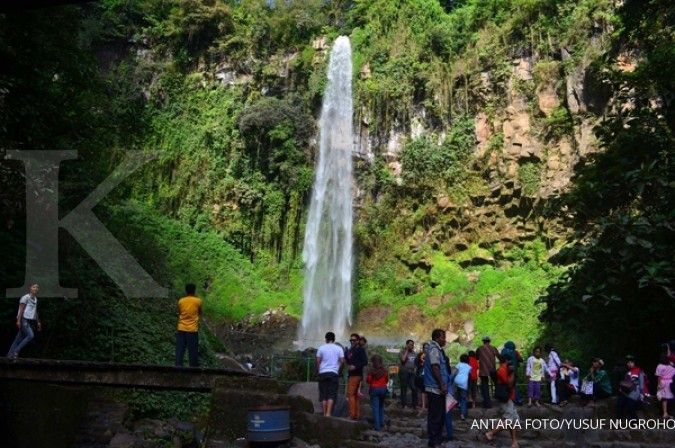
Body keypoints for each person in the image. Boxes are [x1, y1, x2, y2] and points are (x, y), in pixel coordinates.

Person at [485, 356, 519, 448]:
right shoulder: (502, 370)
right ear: (507, 360)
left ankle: (514, 443)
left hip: (509, 398)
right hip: (506, 399)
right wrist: (512, 373)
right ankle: (491, 433)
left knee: (514, 420)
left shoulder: (505, 369)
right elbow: (509, 384)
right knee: (508, 420)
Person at [424, 329, 449, 447]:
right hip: (435, 388)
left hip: (436, 387)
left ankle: (437, 438)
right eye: (444, 337)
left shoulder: (436, 349)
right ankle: (434, 441)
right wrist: (442, 384)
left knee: (438, 415)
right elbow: (435, 367)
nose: (445, 340)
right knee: (436, 415)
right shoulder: (434, 350)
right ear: (438, 338)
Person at [7, 283, 42, 358]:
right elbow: (21, 310)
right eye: (34, 287)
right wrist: (18, 321)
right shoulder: (25, 297)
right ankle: (16, 351)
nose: (36, 288)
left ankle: (9, 355)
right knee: (30, 335)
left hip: (29, 321)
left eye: (37, 287)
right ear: (30, 288)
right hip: (23, 319)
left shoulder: (35, 299)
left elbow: (35, 311)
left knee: (18, 339)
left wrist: (38, 322)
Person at [316, 331, 344, 417]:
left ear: (326, 339)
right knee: (331, 394)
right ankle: (328, 413)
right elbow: (342, 361)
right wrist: (339, 371)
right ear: (334, 339)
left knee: (324, 394)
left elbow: (318, 361)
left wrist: (319, 371)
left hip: (323, 372)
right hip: (334, 373)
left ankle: (324, 413)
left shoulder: (321, 348)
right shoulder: (339, 349)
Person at [175, 283, 202, 367]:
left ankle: (178, 367)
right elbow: (200, 313)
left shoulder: (181, 301)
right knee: (193, 350)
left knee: (180, 350)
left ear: (186, 291)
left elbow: (179, 313)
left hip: (181, 328)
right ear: (194, 290)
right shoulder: (198, 301)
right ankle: (193, 369)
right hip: (192, 329)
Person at [345, 332, 368, 420]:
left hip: (356, 374)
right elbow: (349, 361)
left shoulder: (360, 350)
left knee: (350, 394)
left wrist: (355, 366)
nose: (352, 342)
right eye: (351, 340)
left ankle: (351, 415)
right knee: (355, 395)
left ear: (358, 341)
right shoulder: (352, 349)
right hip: (352, 374)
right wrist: (346, 354)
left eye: (354, 340)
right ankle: (356, 415)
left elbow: (365, 361)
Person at [617, 355, 645, 421]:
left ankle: (635, 421)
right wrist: (621, 388)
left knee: (630, 403)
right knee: (620, 402)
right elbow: (625, 383)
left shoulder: (639, 371)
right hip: (626, 391)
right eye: (628, 362)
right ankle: (619, 419)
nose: (629, 364)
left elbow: (641, 383)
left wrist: (642, 393)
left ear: (634, 363)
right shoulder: (627, 372)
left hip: (635, 390)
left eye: (631, 362)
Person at [366, 354, 389, 431]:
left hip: (374, 389)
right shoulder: (384, 370)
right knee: (381, 407)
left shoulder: (371, 370)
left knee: (375, 408)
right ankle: (382, 423)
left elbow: (368, 381)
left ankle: (377, 427)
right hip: (383, 389)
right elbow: (387, 380)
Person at [476, 336, 500, 408]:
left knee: (484, 387)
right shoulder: (493, 348)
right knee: (497, 384)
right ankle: (499, 397)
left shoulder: (479, 348)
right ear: (489, 341)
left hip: (483, 370)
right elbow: (499, 356)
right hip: (492, 369)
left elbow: (477, 357)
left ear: (483, 341)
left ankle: (487, 403)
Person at [501, 341, 524, 405]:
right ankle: (518, 400)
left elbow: (501, 359)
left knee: (507, 386)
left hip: (505, 371)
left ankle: (509, 399)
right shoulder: (515, 352)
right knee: (514, 386)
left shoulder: (503, 351)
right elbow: (521, 360)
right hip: (514, 371)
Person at [399, 339, 418, 408]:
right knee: (404, 388)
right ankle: (404, 404)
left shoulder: (414, 353)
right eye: (410, 344)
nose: (412, 346)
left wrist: (415, 369)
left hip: (412, 372)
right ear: (407, 345)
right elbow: (403, 360)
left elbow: (416, 363)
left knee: (413, 387)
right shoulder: (402, 352)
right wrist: (406, 350)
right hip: (404, 372)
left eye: (412, 345)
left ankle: (414, 404)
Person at [655, 355, 674, 419]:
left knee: (664, 399)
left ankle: (665, 413)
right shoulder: (671, 367)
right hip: (671, 382)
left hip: (663, 382)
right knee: (670, 398)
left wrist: (658, 385)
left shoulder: (660, 366)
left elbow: (659, 377)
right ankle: (668, 413)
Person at [455, 354, 471, 420]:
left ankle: (458, 403)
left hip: (457, 381)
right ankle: (462, 415)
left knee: (458, 393)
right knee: (463, 399)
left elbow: (455, 372)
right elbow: (469, 375)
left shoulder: (459, 364)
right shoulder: (469, 367)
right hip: (464, 383)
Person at [415, 343, 428, 411]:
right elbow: (417, 364)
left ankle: (425, 404)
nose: (426, 349)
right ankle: (422, 405)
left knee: (427, 390)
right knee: (422, 390)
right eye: (425, 347)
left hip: (429, 375)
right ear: (423, 348)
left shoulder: (431, 355)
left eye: (427, 347)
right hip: (421, 374)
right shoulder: (419, 355)